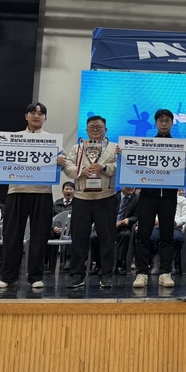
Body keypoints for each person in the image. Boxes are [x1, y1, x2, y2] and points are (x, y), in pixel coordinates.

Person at [0, 102, 56, 289]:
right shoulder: (12, 138)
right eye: (33, 113)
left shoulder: (52, 140)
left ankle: (35, 277)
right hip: (16, 191)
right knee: (12, 235)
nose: (36, 116)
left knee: (39, 236)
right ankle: (8, 277)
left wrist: (60, 161)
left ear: (45, 118)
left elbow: (58, 167)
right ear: (26, 116)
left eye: (40, 113)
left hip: (42, 192)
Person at [59, 115, 118, 289]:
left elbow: (120, 166)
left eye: (99, 127)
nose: (95, 130)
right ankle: (77, 275)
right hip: (81, 198)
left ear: (106, 130)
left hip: (106, 197)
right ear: (86, 130)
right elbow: (67, 166)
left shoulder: (114, 148)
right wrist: (81, 170)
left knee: (107, 239)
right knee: (79, 238)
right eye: (92, 127)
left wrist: (103, 168)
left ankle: (106, 274)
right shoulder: (77, 148)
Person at [132, 109, 179, 289]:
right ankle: (142, 272)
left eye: (167, 120)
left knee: (167, 235)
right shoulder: (146, 144)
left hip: (169, 196)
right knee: (143, 234)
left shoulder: (180, 146)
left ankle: (165, 272)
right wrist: (125, 153)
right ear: (156, 123)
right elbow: (134, 162)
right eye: (160, 120)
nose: (164, 123)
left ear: (172, 123)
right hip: (148, 195)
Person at [89, 186, 139, 276]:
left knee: (124, 235)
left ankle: (119, 265)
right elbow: (103, 213)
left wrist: (128, 220)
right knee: (94, 237)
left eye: (132, 186)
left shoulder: (137, 199)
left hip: (124, 227)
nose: (131, 188)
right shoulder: (113, 197)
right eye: (128, 186)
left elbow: (136, 216)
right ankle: (98, 264)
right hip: (109, 226)